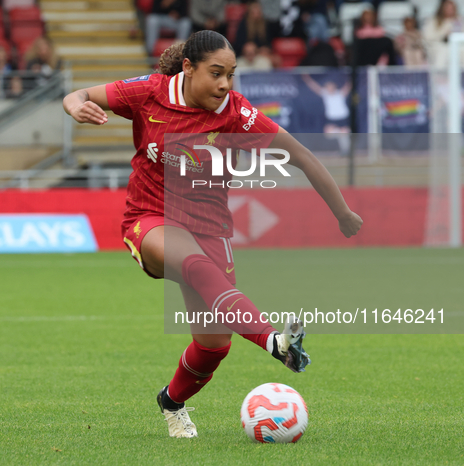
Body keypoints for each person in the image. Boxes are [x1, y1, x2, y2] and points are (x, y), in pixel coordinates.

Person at [63, 31, 363, 439]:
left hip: (209, 228)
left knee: (213, 344)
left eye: (231, 75)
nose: (224, 84)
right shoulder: (149, 93)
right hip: (150, 218)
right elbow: (79, 94)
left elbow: (302, 156)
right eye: (216, 73)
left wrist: (342, 213)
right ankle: (276, 343)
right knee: (195, 264)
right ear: (188, 68)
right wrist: (77, 107)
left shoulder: (237, 114)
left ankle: (171, 402)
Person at [423, 0, 464, 69]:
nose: (450, 10)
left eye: (452, 8)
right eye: (448, 8)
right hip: (439, 47)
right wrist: (444, 34)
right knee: (443, 50)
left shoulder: (460, 20)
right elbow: (427, 37)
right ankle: (441, 75)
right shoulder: (434, 21)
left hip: (458, 46)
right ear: (442, 8)